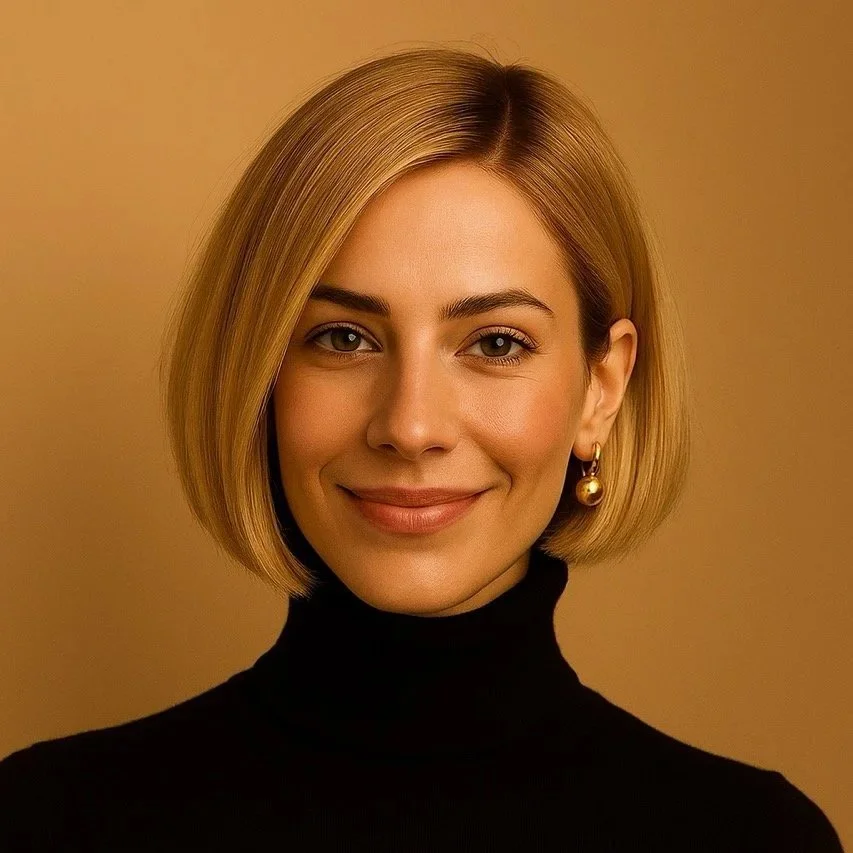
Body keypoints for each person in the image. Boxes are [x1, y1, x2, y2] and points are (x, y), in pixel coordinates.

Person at [0, 46, 843, 851]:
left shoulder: (753, 840)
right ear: (256, 373)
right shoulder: (45, 823)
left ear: (601, 388)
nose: (409, 425)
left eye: (496, 344)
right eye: (342, 337)